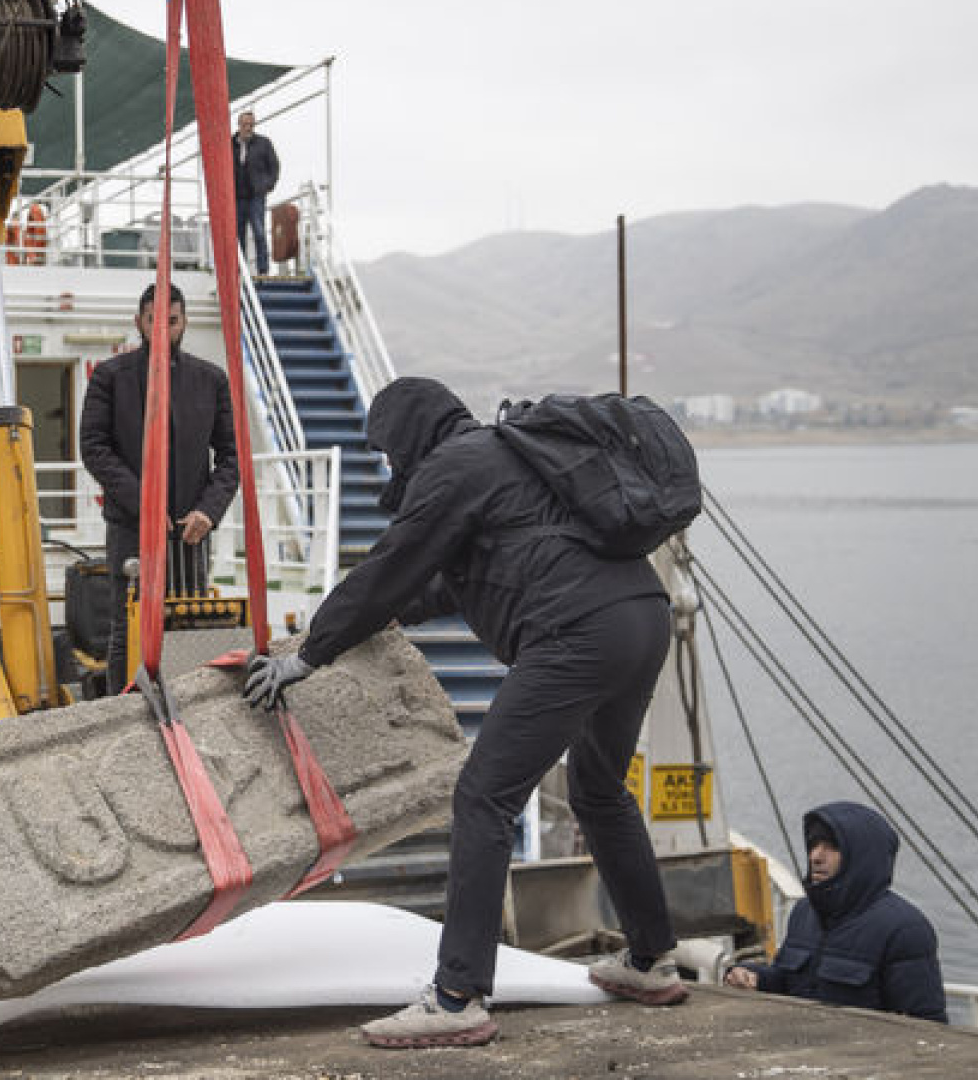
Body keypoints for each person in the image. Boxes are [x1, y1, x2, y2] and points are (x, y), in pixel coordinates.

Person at [243, 377, 685, 1049]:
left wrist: (312, 652)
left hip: (577, 632)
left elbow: (396, 560)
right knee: (598, 792)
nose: (390, 466)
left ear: (409, 433)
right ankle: (652, 960)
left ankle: (457, 997)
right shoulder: (508, 462)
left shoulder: (457, 464)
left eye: (388, 450)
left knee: (484, 796)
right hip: (642, 619)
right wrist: (378, 621)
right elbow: (451, 580)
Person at [79, 283, 241, 688]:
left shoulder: (211, 380)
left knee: (188, 625)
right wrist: (143, 504)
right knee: (126, 628)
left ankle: (186, 716)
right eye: (155, 321)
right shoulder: (110, 378)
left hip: (191, 530)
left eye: (172, 321)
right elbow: (94, 448)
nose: (163, 330)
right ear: (140, 322)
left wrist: (209, 510)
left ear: (184, 322)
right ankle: (123, 716)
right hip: (131, 527)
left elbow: (231, 457)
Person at [724, 802, 948, 1023]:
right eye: (813, 845)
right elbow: (787, 982)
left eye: (832, 847)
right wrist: (754, 976)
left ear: (861, 857)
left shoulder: (905, 929)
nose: (816, 856)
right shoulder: (804, 912)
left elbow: (927, 1024)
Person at [232, 110, 280, 276]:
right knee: (238, 234)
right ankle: (240, 269)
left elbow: (274, 166)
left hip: (256, 196)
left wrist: (267, 185)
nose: (248, 128)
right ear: (239, 125)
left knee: (259, 232)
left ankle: (263, 269)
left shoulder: (264, 143)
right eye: (245, 125)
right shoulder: (230, 143)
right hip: (237, 197)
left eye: (251, 125)